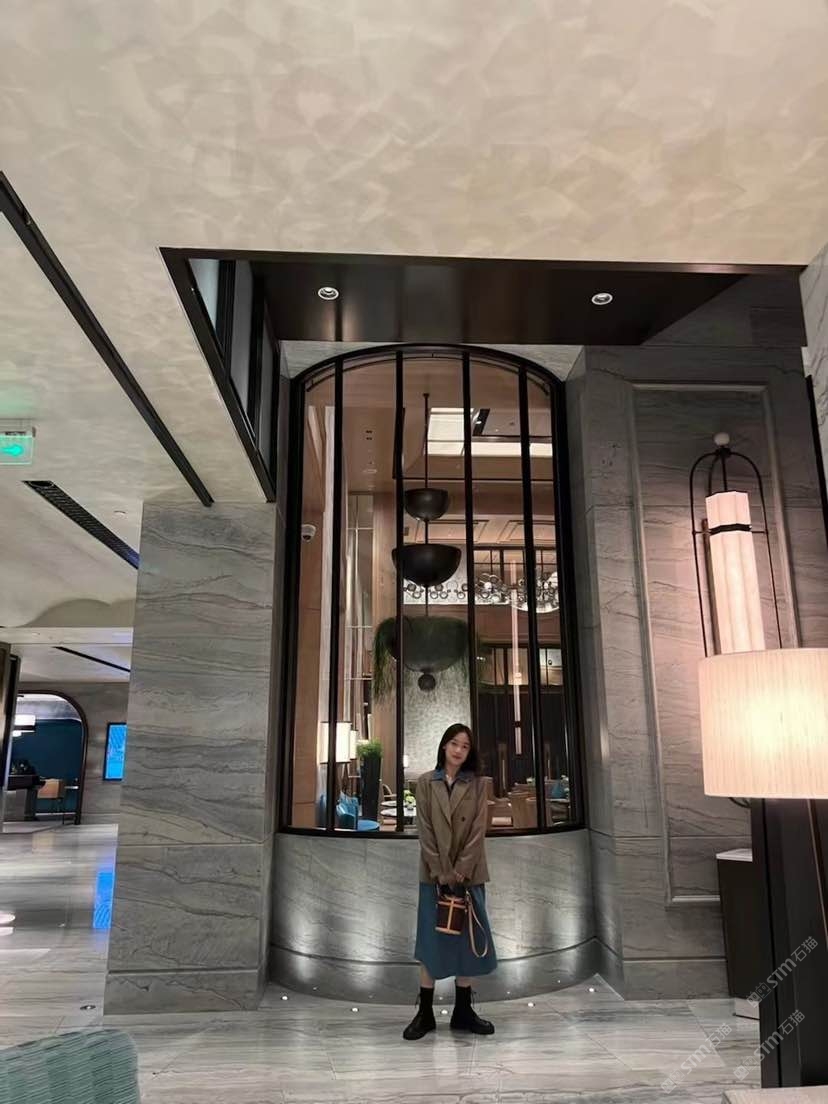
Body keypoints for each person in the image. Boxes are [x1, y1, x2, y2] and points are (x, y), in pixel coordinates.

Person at [403, 723, 498, 1041]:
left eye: (465, 746)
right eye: (454, 743)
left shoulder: (479, 784)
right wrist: (442, 871)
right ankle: (425, 1013)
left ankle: (463, 1011)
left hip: (469, 876)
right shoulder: (425, 783)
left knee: (467, 941)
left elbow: (478, 830)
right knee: (430, 941)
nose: (458, 750)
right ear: (444, 746)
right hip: (433, 876)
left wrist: (460, 871)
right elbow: (425, 829)